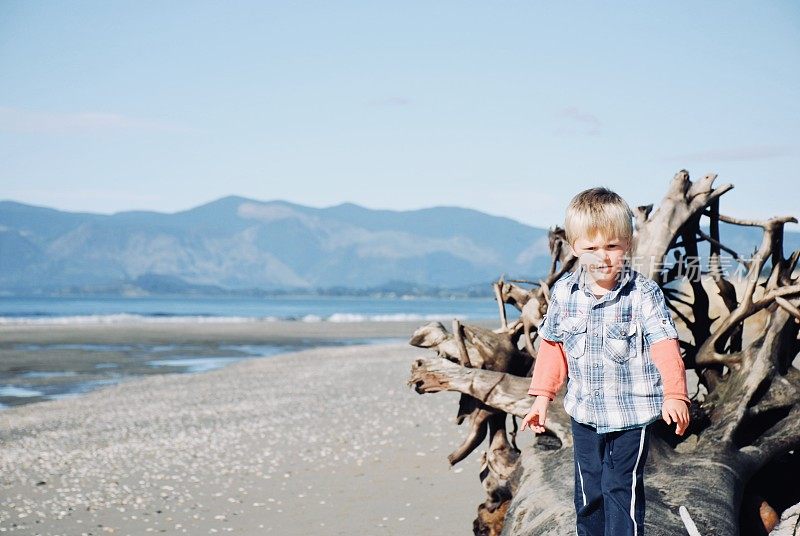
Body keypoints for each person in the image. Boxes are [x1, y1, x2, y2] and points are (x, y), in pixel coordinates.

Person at [520, 187, 691, 536]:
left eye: (612, 246)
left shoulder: (643, 294)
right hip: (584, 414)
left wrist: (675, 394)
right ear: (573, 247)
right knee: (588, 490)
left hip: (632, 414)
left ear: (627, 244)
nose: (603, 257)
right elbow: (554, 346)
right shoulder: (565, 292)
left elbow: (664, 344)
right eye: (590, 248)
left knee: (619, 487)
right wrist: (541, 397)